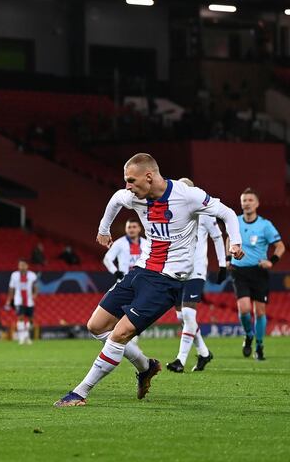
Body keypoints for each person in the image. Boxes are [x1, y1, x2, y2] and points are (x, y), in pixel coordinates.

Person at [54, 153, 242, 407]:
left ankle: (80, 392)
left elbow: (228, 213)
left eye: (131, 180)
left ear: (149, 176)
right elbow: (115, 200)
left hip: (167, 281)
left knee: (119, 334)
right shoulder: (134, 197)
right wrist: (103, 229)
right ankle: (146, 367)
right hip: (141, 271)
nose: (127, 186)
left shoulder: (188, 196)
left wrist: (236, 243)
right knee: (96, 326)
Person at [166, 178, 227, 373]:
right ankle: (204, 352)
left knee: (188, 314)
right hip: (177, 269)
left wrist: (223, 265)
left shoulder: (206, 212)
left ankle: (180, 361)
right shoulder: (174, 213)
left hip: (197, 269)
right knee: (180, 316)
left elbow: (217, 237)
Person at [230, 187, 284, 360]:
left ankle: (259, 345)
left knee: (260, 312)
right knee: (244, 308)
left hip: (259, 272)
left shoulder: (265, 225)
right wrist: (227, 258)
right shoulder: (235, 222)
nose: (247, 203)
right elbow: (227, 239)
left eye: (250, 200)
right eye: (244, 200)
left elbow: (280, 246)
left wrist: (272, 261)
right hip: (239, 271)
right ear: (241, 203)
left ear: (257, 203)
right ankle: (248, 335)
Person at [4, 258, 38, 345]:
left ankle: (26, 336)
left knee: (30, 319)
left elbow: (35, 286)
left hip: (29, 300)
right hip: (19, 299)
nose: (22, 267)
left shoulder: (32, 275)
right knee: (20, 317)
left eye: (23, 265)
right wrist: (9, 299)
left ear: (27, 266)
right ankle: (21, 338)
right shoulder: (14, 275)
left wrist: (35, 294)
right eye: (20, 265)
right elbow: (11, 288)